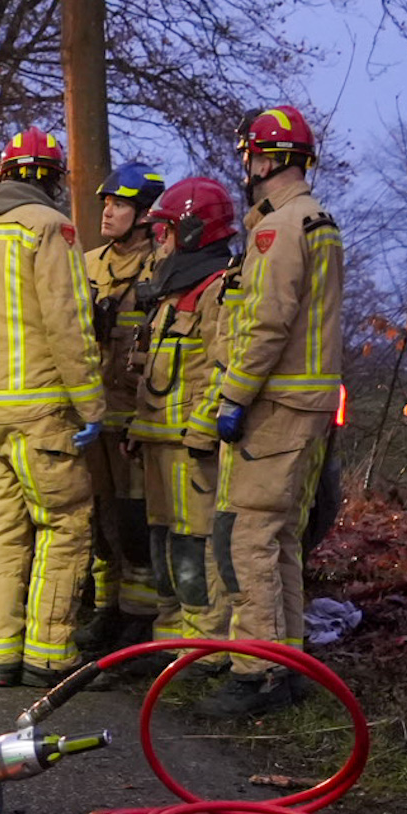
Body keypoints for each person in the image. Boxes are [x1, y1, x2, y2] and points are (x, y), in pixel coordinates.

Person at [187, 106, 343, 717]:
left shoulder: (279, 230)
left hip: (273, 406)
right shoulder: (317, 221)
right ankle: (289, 663)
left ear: (266, 159)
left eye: (250, 155)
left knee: (245, 537)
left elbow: (264, 325)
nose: (247, 167)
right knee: (279, 540)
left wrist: (232, 397)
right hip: (303, 405)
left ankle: (256, 674)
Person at [0, 128, 104, 687]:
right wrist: (93, 406)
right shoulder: (50, 228)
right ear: (51, 178)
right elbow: (69, 324)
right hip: (38, 411)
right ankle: (50, 654)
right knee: (63, 525)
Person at [132, 177, 240, 662]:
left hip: (190, 446)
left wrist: (205, 425)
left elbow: (228, 366)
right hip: (157, 441)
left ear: (195, 232)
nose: (160, 240)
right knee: (163, 547)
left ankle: (205, 650)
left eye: (167, 230)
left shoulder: (219, 289)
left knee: (195, 550)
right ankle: (170, 640)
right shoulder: (172, 291)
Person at [76, 164, 165, 658]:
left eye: (120, 205)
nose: (107, 211)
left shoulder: (162, 267)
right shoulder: (86, 264)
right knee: (100, 519)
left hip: (137, 415)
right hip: (93, 415)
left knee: (137, 522)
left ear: (145, 215)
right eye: (105, 203)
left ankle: (140, 618)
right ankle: (107, 610)